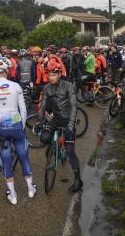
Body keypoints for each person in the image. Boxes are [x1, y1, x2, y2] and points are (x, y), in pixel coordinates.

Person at [0, 57, 35, 205]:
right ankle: (30, 190)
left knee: (6, 161)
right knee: (24, 158)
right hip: (17, 127)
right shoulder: (15, 86)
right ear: (6, 69)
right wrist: (22, 125)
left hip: (1, 129)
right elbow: (23, 109)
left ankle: (13, 195)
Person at [33, 60, 83, 192]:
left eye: (53, 75)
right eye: (49, 75)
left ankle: (78, 180)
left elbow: (74, 106)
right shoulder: (47, 87)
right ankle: (55, 144)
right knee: (43, 138)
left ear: (59, 74)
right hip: (56, 119)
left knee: (70, 151)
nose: (51, 78)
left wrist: (71, 125)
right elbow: (43, 105)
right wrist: (39, 121)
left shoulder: (68, 86)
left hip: (68, 119)